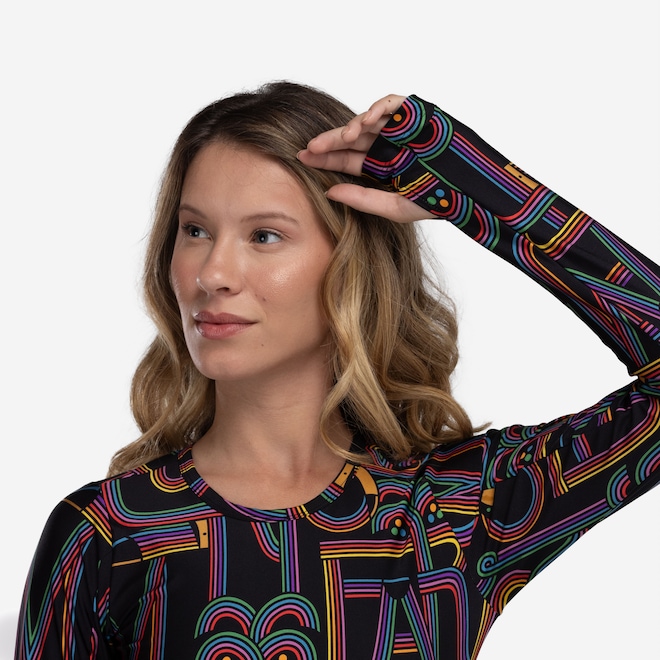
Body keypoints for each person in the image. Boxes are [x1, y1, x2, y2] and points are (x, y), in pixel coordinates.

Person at [15, 82, 659, 659]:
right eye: (194, 231)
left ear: (353, 266)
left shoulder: (457, 512)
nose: (213, 274)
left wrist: (470, 182)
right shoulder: (109, 535)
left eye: (265, 236)